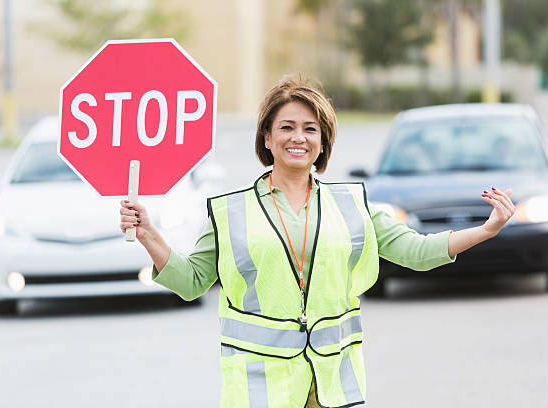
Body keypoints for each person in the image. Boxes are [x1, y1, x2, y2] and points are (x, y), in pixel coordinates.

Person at [119, 76, 515, 408]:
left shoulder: (352, 205)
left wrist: (485, 230)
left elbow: (417, 251)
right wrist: (149, 235)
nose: (299, 137)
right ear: (267, 138)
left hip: (330, 384)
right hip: (260, 390)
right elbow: (191, 282)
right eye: (287, 127)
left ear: (323, 142)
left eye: (311, 129)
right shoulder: (229, 211)